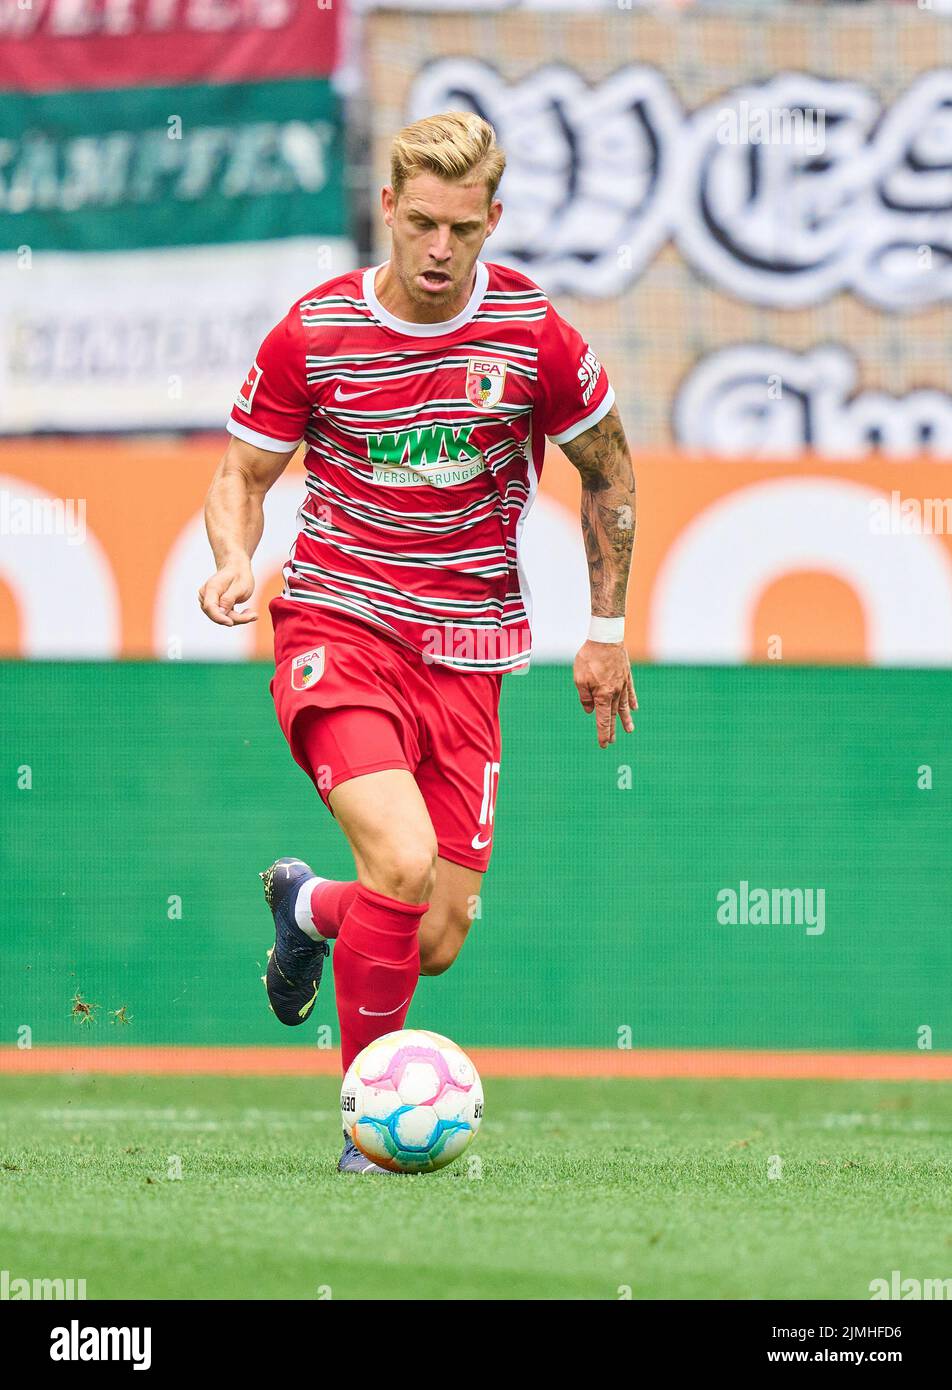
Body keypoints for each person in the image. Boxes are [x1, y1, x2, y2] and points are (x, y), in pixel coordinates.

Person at [199, 111, 637, 1172]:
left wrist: (607, 631)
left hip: (470, 652)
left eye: (463, 229)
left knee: (430, 935)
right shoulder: (316, 332)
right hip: (336, 622)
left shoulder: (535, 337)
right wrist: (230, 558)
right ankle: (369, 1132)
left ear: (493, 220)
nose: (439, 251)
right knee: (397, 857)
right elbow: (241, 475)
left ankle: (307, 906)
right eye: (421, 224)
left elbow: (611, 472)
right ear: (388, 208)